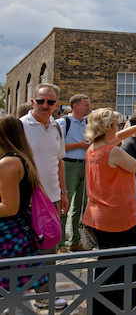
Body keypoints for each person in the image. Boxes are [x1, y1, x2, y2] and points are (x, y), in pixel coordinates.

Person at [82, 108, 136, 313]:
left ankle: (103, 307)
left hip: (100, 215)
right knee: (126, 267)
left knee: (107, 265)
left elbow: (118, 137)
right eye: (115, 125)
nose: (117, 128)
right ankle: (123, 307)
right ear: (107, 127)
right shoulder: (112, 151)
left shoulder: (94, 147)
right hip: (120, 216)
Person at [19, 83, 68, 310]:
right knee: (20, 249)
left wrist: (64, 192)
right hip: (26, 198)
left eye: (50, 102)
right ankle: (16, 296)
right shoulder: (20, 127)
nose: (44, 105)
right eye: (40, 101)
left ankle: (44, 296)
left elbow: (59, 162)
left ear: (57, 104)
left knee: (49, 248)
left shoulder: (58, 127)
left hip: (52, 199)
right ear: (32, 102)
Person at [0, 116, 47, 313]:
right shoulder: (23, 158)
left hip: (8, 233)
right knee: (14, 293)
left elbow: (9, 207)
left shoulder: (8, 163)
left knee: (10, 292)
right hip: (20, 230)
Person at [55, 93, 91, 253]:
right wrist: (78, 144)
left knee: (81, 205)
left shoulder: (88, 123)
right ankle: (60, 243)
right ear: (75, 106)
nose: (89, 107)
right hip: (68, 165)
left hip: (85, 165)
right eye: (86, 104)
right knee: (65, 204)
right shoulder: (63, 122)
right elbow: (56, 146)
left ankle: (75, 241)